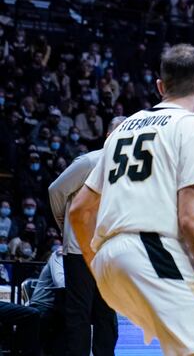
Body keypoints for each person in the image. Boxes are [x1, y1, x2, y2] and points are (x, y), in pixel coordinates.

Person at [68, 44, 194, 355]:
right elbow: (193, 220)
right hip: (151, 252)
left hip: (107, 264)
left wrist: (102, 267)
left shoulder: (122, 130)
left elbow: (79, 211)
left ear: (160, 86)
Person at [48, 117, 125, 355]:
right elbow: (56, 190)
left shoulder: (129, 169)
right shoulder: (90, 161)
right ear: (108, 136)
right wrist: (65, 223)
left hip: (110, 252)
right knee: (79, 314)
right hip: (79, 250)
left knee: (107, 315)